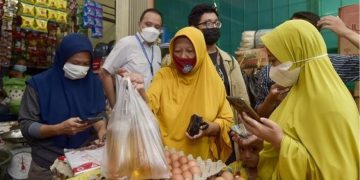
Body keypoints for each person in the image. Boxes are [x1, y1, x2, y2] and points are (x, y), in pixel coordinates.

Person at [234, 20, 359, 179]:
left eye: (274, 61)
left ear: (297, 56)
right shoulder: (296, 92)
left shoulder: (331, 105)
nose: (271, 69)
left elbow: (336, 173)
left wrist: (280, 141)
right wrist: (263, 138)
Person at [119, 27, 234, 161]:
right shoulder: (164, 76)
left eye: (190, 51)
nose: (183, 56)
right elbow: (149, 108)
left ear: (201, 51)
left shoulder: (214, 82)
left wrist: (208, 128)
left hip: (202, 162)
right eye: (178, 51)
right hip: (167, 157)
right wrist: (139, 90)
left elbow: (226, 120)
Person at [19, 34, 107, 179]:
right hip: (47, 164)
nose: (81, 68)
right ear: (62, 59)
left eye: (86, 64)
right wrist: (58, 129)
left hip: (85, 162)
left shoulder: (94, 83)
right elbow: (26, 126)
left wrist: (101, 128)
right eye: (75, 63)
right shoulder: (39, 85)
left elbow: (100, 113)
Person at [255, 11, 359, 117]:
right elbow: (261, 114)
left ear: (314, 37)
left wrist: (347, 32)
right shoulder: (270, 72)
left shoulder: (332, 65)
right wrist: (270, 100)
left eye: (300, 33)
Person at [188, 3, 250, 105]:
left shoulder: (230, 61)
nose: (213, 27)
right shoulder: (185, 59)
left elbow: (242, 97)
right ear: (193, 28)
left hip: (226, 119)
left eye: (216, 23)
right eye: (207, 24)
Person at [100, 8, 163, 108]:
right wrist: (114, 106)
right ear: (140, 24)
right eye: (148, 24)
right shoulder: (126, 43)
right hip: (129, 110)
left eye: (157, 27)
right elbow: (104, 72)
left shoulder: (157, 50)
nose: (152, 29)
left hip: (150, 107)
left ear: (160, 30)